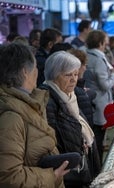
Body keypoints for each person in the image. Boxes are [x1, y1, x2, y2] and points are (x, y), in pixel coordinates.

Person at [0, 43, 69, 188]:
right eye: (36, 66)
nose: (37, 71)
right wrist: (52, 176)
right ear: (25, 72)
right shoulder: (11, 116)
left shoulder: (27, 102)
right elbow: (9, 176)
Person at [40, 51, 100, 187]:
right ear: (54, 75)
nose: (74, 79)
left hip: (80, 162)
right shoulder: (47, 100)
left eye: (76, 74)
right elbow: (51, 141)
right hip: (68, 172)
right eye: (68, 75)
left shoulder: (70, 95)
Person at [83, 30, 114, 162]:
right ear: (100, 43)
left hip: (92, 102)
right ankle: (98, 166)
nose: (106, 44)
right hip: (99, 103)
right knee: (98, 137)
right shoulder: (98, 59)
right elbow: (104, 85)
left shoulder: (88, 55)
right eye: (105, 42)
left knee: (95, 136)